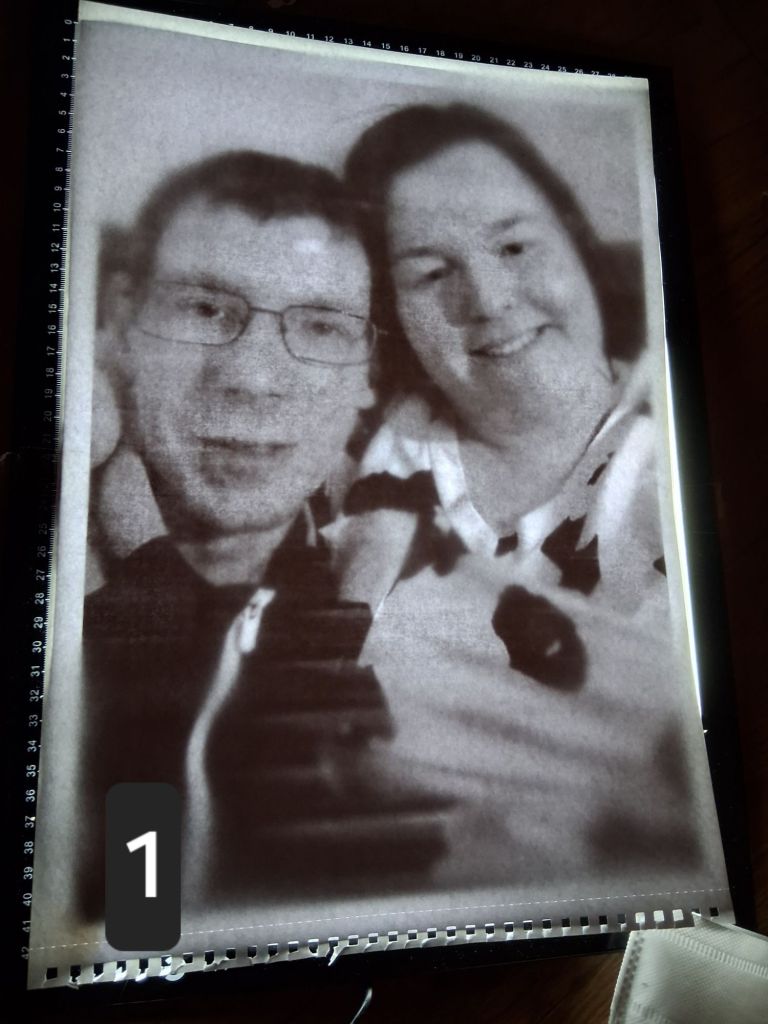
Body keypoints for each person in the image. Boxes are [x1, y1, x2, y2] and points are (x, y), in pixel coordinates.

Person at [333, 103, 703, 888]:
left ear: (576, 242)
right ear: (391, 311)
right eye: (431, 273)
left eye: (514, 245)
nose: (490, 297)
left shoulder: (693, 437)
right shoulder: (355, 446)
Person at [78, 150, 452, 919]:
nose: (252, 379)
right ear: (119, 321)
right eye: (204, 309)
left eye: (321, 325)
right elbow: (136, 918)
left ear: (370, 371)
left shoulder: (431, 604)